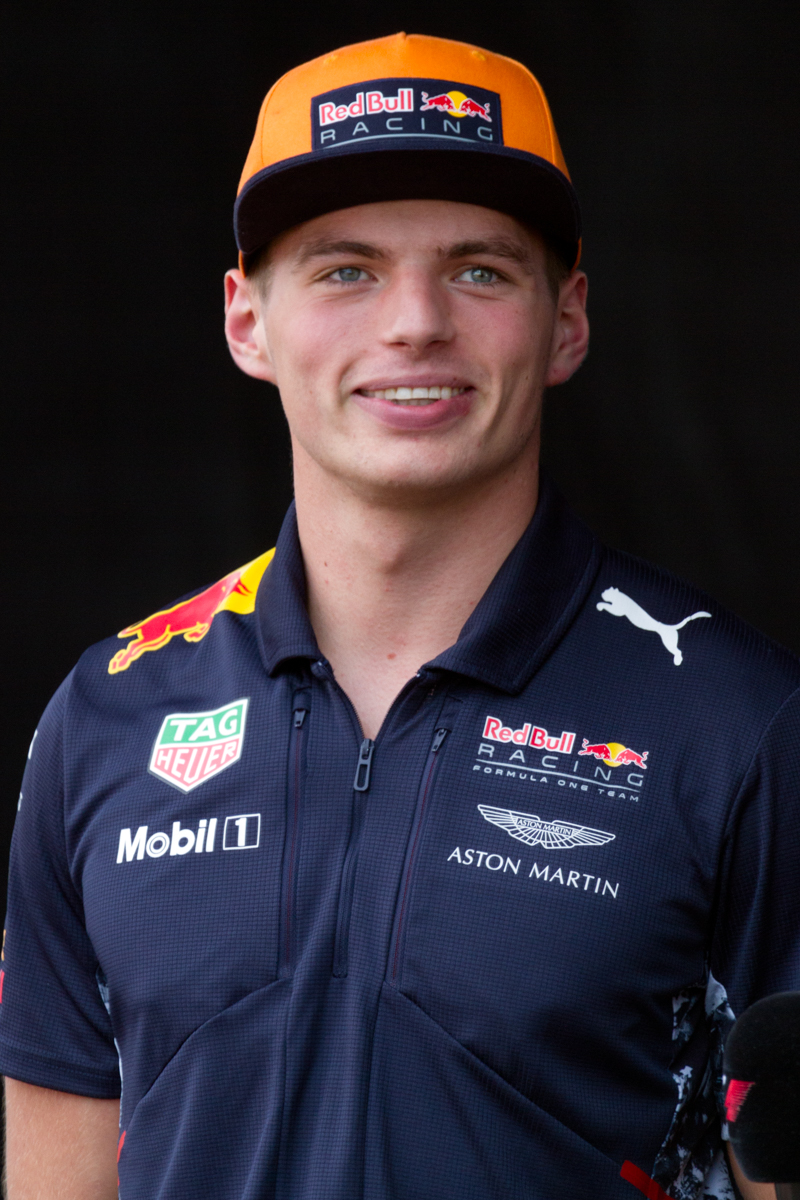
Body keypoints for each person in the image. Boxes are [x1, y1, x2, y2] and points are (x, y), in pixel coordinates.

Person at [1, 31, 797, 1200]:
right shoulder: (107, 715)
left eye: (479, 270)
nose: (415, 321)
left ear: (566, 320)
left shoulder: (740, 724)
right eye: (345, 270)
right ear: (246, 320)